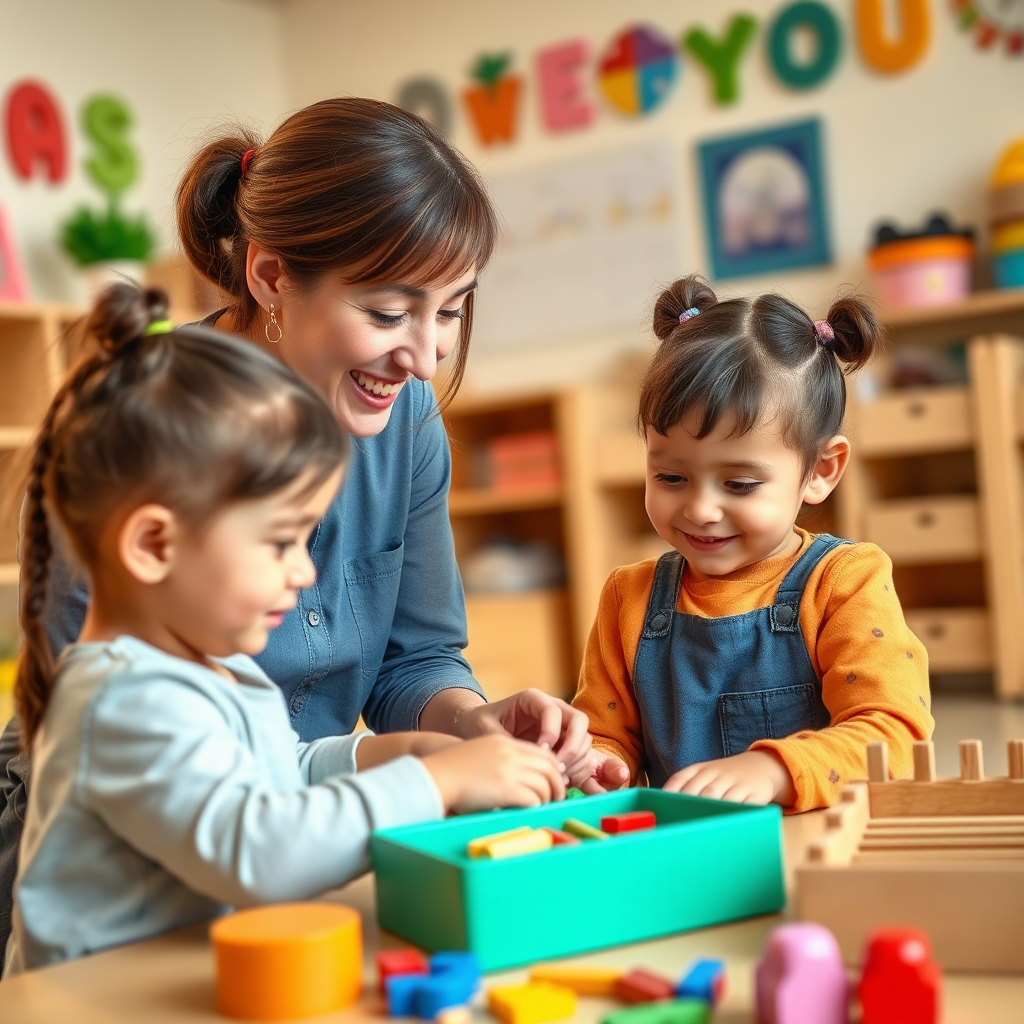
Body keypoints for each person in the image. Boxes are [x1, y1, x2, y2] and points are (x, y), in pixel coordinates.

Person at [0, 98, 589, 970]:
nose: (424, 358)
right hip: (158, 882)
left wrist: (460, 729)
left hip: (292, 835)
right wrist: (421, 780)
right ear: (272, 278)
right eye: (390, 314)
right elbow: (236, 822)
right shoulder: (151, 439)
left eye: (453, 311)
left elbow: (358, 700)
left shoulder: (407, 419)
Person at [570, 275, 933, 811]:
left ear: (821, 470)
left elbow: (897, 735)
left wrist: (776, 770)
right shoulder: (629, 598)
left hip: (817, 850)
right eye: (670, 477)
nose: (699, 509)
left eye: (739, 484)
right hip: (695, 860)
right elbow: (607, 736)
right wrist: (596, 764)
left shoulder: (844, 581)